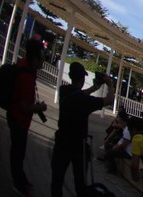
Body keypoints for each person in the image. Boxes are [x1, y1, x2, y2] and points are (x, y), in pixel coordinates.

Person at [50, 62, 115, 197]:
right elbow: (109, 100)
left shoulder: (63, 91)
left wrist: (94, 88)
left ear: (71, 76)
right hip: (78, 147)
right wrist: (110, 85)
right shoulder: (85, 101)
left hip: (61, 142)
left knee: (57, 179)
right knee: (80, 184)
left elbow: (78, 92)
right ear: (83, 79)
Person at [8, 38, 47, 196]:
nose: (44, 59)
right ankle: (18, 184)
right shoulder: (26, 76)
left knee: (19, 152)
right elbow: (25, 106)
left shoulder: (27, 67)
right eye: (42, 56)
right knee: (17, 153)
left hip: (18, 117)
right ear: (35, 58)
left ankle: (21, 178)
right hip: (18, 119)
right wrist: (41, 107)